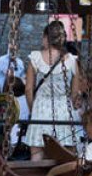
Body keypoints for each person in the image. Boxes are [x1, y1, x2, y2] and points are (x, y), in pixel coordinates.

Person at [25, 20, 80, 160]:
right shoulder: (72, 61)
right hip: (64, 110)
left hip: (41, 109)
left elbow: (28, 89)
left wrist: (33, 108)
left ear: (46, 38)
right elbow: (74, 94)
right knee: (67, 153)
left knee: (37, 153)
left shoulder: (35, 58)